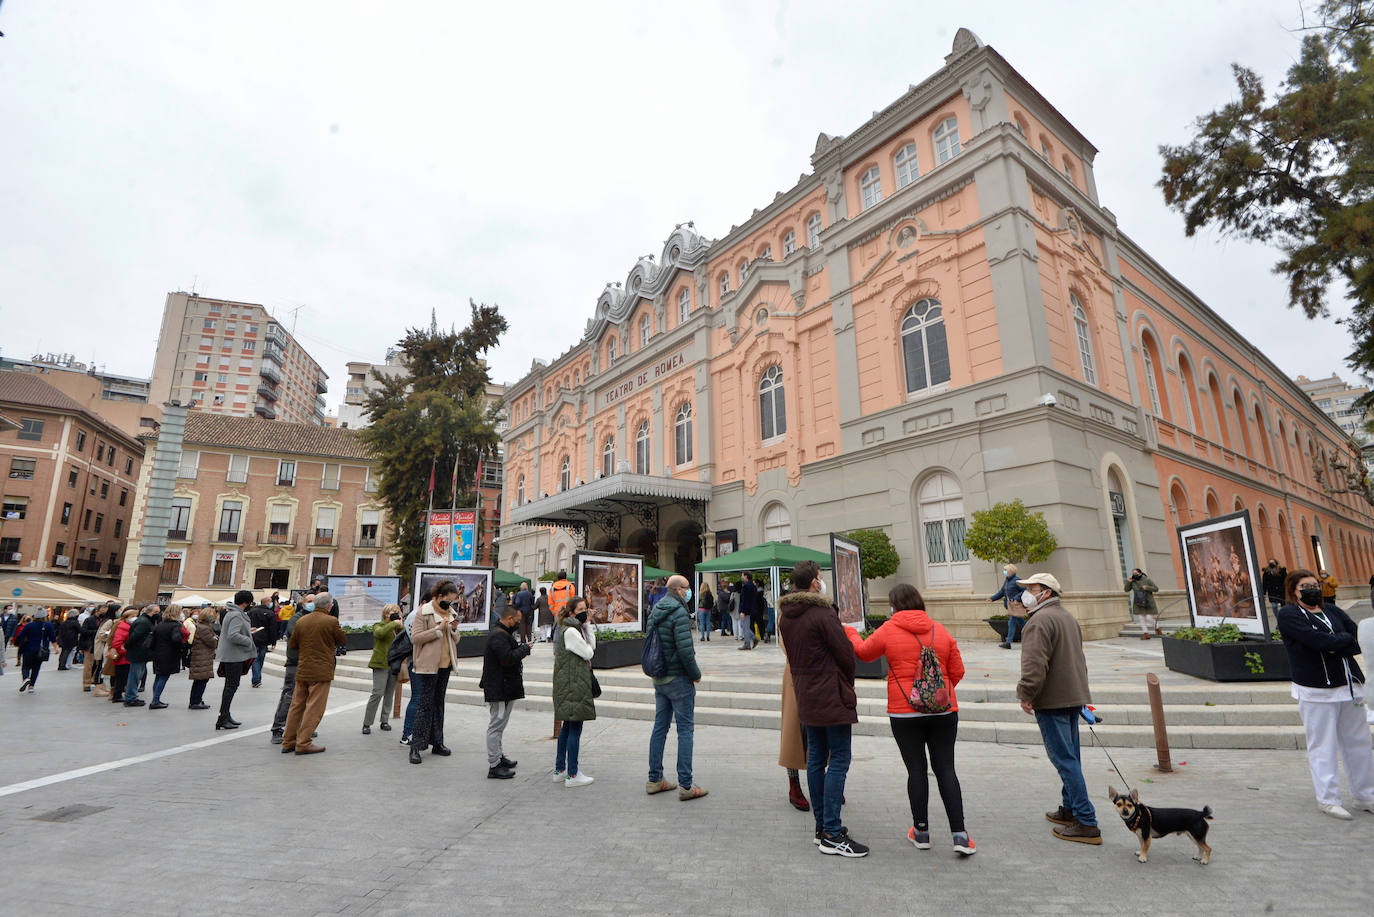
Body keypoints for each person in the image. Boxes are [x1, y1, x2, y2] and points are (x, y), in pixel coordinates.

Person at [849, 583, 972, 855]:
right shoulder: (940, 630)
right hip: (943, 713)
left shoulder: (888, 630)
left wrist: (850, 632)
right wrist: (937, 695)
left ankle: (921, 831)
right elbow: (957, 671)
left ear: (894, 605)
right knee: (946, 769)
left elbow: (864, 653)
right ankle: (960, 836)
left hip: (904, 713)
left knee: (916, 771)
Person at [778, 559, 867, 858]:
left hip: (805, 693)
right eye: (819, 577)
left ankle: (821, 828)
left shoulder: (786, 615)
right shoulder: (822, 612)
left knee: (816, 756)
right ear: (814, 582)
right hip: (830, 691)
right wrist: (847, 681)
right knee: (839, 756)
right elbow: (845, 652)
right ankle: (831, 830)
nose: (821, 581)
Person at [1276, 569, 1374, 819]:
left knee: (1359, 743)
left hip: (1349, 686)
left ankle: (1365, 795)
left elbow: (1357, 638)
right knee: (1323, 745)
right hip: (1316, 690)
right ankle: (1328, 799)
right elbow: (1316, 642)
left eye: (1314, 585)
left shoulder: (1333, 610)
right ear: (1294, 591)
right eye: (1305, 587)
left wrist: (1334, 644)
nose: (1312, 590)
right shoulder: (1289, 614)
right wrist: (1335, 644)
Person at [1015, 572, 1100, 845]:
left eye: (1032, 588)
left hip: (1052, 699)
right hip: (1072, 695)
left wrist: (1026, 693)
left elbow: (1034, 666)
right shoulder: (1066, 617)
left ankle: (1086, 821)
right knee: (1071, 756)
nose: (1026, 594)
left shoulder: (1038, 623)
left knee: (1064, 760)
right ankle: (1070, 809)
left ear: (1047, 593)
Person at [646, 575, 708, 800]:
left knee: (660, 727)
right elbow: (684, 650)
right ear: (678, 590)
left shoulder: (656, 609)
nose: (690, 591)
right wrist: (696, 674)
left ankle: (654, 779)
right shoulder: (679, 612)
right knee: (685, 730)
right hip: (678, 679)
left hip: (659, 676)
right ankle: (686, 785)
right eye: (687, 588)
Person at [281, 590, 346, 755]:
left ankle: (288, 741)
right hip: (321, 670)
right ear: (329, 606)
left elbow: (293, 644)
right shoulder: (331, 621)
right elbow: (342, 640)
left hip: (303, 667)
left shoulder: (302, 620)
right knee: (314, 708)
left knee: (297, 706)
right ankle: (303, 742)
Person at [408, 581, 461, 764]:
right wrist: (437, 630)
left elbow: (456, 638)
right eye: (448, 600)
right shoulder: (424, 612)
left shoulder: (451, 613)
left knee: (439, 704)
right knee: (424, 705)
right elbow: (416, 638)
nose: (450, 604)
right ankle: (416, 746)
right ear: (439, 596)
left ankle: (437, 742)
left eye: (453, 601)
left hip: (445, 664)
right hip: (428, 666)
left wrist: (453, 630)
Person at [480, 602, 532, 779]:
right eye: (516, 620)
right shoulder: (498, 636)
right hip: (499, 688)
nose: (518, 623)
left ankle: (499, 757)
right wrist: (524, 649)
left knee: (500, 725)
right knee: (496, 725)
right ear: (509, 618)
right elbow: (507, 659)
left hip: (505, 687)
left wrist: (521, 648)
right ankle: (494, 765)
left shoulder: (502, 634)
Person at [553, 596, 596, 787]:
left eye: (585, 608)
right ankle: (572, 773)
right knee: (574, 728)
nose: (584, 611)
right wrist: (589, 627)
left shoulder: (571, 629)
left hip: (569, 683)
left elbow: (589, 647)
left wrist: (586, 626)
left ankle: (560, 769)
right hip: (573, 684)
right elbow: (589, 652)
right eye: (580, 609)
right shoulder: (571, 631)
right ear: (571, 613)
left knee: (568, 727)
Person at [270, 597, 311, 744]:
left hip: (309, 663)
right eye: (310, 601)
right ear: (304, 603)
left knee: (305, 698)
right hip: (295, 662)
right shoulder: (296, 618)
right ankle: (278, 728)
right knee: (289, 696)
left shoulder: (314, 618)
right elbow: (296, 635)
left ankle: (300, 727)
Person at [214, 591, 256, 730]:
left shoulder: (231, 613)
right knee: (231, 687)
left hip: (232, 655)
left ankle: (225, 715)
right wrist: (248, 640)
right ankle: (223, 717)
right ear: (246, 602)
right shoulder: (237, 615)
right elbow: (233, 635)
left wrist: (248, 631)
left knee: (230, 687)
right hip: (234, 656)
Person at [363, 604, 403, 735]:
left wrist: (400, 627)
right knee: (377, 692)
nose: (395, 614)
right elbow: (379, 634)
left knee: (389, 693)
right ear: (385, 614)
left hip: (394, 664)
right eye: (392, 612)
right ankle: (367, 723)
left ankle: (384, 720)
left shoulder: (398, 628)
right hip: (380, 663)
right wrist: (392, 623)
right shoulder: (378, 625)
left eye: (397, 612)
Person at [148, 604, 186, 709]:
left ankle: (155, 698)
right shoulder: (176, 625)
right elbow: (176, 639)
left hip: (158, 653)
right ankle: (155, 700)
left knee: (158, 676)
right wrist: (182, 646)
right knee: (163, 677)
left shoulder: (160, 624)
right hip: (169, 654)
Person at [122, 604, 158, 707]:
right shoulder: (144, 622)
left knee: (136, 675)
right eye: (156, 612)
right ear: (150, 612)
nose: (157, 614)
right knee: (135, 675)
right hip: (138, 652)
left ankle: (131, 696)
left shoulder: (145, 621)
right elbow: (134, 637)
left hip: (140, 652)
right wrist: (127, 646)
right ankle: (130, 698)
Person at [15, 609, 56, 693]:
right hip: (41, 650)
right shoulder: (49, 625)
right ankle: (31, 686)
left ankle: (26, 679)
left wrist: (16, 643)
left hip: (28, 648)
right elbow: (52, 638)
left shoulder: (29, 625)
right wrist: (56, 648)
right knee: (36, 668)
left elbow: (20, 636)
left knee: (25, 666)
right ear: (45, 617)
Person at [187, 607, 218, 710]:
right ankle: (196, 701)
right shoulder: (204, 628)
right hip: (202, 657)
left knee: (199, 680)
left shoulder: (202, 626)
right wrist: (215, 638)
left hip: (201, 656)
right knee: (202, 680)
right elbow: (212, 642)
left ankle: (195, 700)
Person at [988, 563, 1023, 648]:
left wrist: (1017, 598)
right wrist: (992, 598)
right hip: (1010, 605)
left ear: (1011, 571)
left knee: (1011, 622)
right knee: (1021, 623)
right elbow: (1001, 592)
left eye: (1005, 570)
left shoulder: (1017, 580)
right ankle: (1032, 634)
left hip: (1015, 605)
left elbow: (1025, 591)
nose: (1004, 572)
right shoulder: (1007, 581)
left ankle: (1008, 643)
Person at [107, 607, 137, 704]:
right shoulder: (123, 626)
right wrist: (126, 651)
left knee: (122, 677)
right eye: (132, 616)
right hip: (123, 658)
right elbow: (117, 643)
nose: (135, 618)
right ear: (126, 617)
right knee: (121, 678)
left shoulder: (127, 626)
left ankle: (118, 694)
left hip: (125, 657)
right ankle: (117, 695)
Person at [248, 594, 278, 688]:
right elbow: (273, 629)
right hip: (264, 639)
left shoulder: (251, 612)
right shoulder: (270, 613)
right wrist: (273, 642)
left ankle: (256, 678)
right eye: (270, 601)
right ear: (267, 602)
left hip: (253, 637)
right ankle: (257, 679)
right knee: (260, 659)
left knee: (255, 659)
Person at [1125, 568, 1161, 638]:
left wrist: (1147, 587)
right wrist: (1129, 582)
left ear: (1140, 573)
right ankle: (1145, 634)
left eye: (1136, 573)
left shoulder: (1147, 580)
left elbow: (1156, 588)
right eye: (1133, 573)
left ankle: (1157, 628)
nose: (1134, 575)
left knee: (1148, 618)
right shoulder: (1132, 581)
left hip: (1148, 602)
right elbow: (1126, 589)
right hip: (1138, 602)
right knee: (1141, 618)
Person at [91, 608, 117, 698]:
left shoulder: (108, 620)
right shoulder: (109, 621)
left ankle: (101, 687)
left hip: (101, 647)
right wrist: (110, 639)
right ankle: (98, 689)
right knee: (99, 668)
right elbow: (101, 634)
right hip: (101, 647)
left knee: (100, 667)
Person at [79, 606, 102, 692]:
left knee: (97, 664)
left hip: (98, 645)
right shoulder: (89, 620)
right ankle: (86, 683)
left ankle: (93, 680)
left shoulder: (104, 620)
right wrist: (98, 632)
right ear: (97, 611)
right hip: (90, 645)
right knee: (88, 665)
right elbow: (83, 632)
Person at [738, 574, 758, 650]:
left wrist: (743, 611)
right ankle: (753, 638)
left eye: (743, 575)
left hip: (746, 610)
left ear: (746, 577)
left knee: (745, 626)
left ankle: (747, 643)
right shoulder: (753, 586)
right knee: (743, 625)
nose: (742, 577)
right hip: (750, 609)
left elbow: (744, 600)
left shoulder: (746, 586)